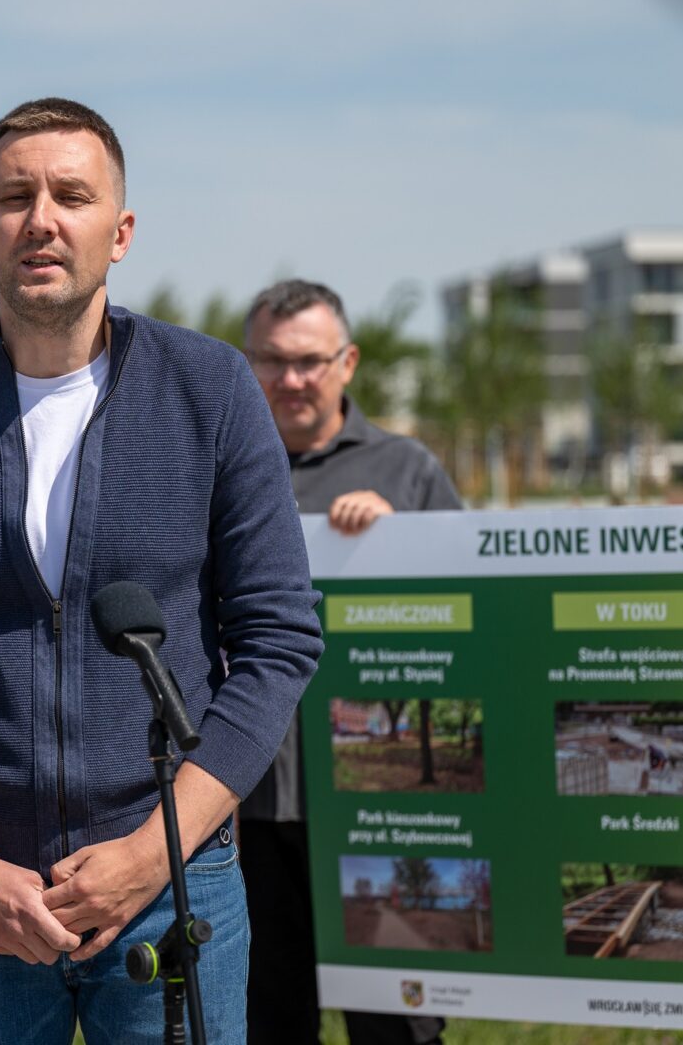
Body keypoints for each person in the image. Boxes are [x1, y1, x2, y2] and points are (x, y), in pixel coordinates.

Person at [0, 97, 323, 1044]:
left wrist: (149, 855)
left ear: (120, 231)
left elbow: (279, 642)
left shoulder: (211, 389)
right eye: (14, 197)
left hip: (174, 886)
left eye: (72, 196)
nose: (41, 219)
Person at [235, 280, 459, 1045]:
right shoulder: (216, 466)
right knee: (266, 1018)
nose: (291, 379)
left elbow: (471, 615)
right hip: (246, 799)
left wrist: (402, 543)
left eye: (310, 361)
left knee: (394, 1020)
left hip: (377, 800)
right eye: (272, 360)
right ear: (247, 363)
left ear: (348, 362)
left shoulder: (407, 469)